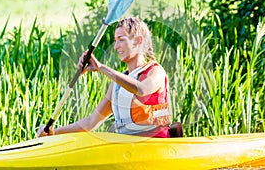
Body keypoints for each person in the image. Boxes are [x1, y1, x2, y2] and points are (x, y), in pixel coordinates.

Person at [38, 17, 172, 138]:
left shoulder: (155, 71)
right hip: (129, 150)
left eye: (121, 40)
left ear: (138, 41)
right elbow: (91, 122)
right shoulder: (117, 85)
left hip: (155, 147)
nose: (115, 47)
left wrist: (101, 67)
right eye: (115, 41)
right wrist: (54, 132)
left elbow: (141, 89)